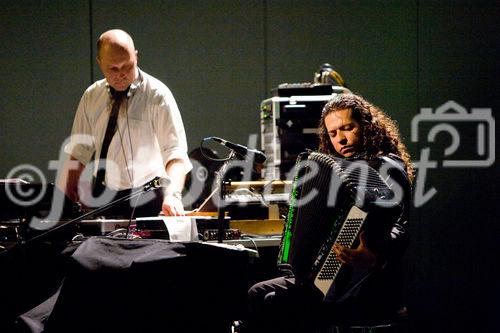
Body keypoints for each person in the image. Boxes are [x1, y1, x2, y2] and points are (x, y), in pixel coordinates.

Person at [241, 93, 414, 332]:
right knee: (257, 293)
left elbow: (401, 226)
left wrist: (375, 257)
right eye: (333, 133)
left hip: (368, 280)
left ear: (367, 126)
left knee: (276, 303)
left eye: (347, 128)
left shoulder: (387, 167)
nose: (340, 139)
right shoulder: (336, 169)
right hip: (328, 275)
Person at [60, 29, 192, 217]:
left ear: (136, 57)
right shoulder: (91, 96)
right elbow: (78, 153)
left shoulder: (157, 95)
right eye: (112, 69)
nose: (121, 74)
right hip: (104, 196)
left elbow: (175, 155)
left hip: (150, 196)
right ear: (99, 63)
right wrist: (63, 200)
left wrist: (173, 196)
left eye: (127, 66)